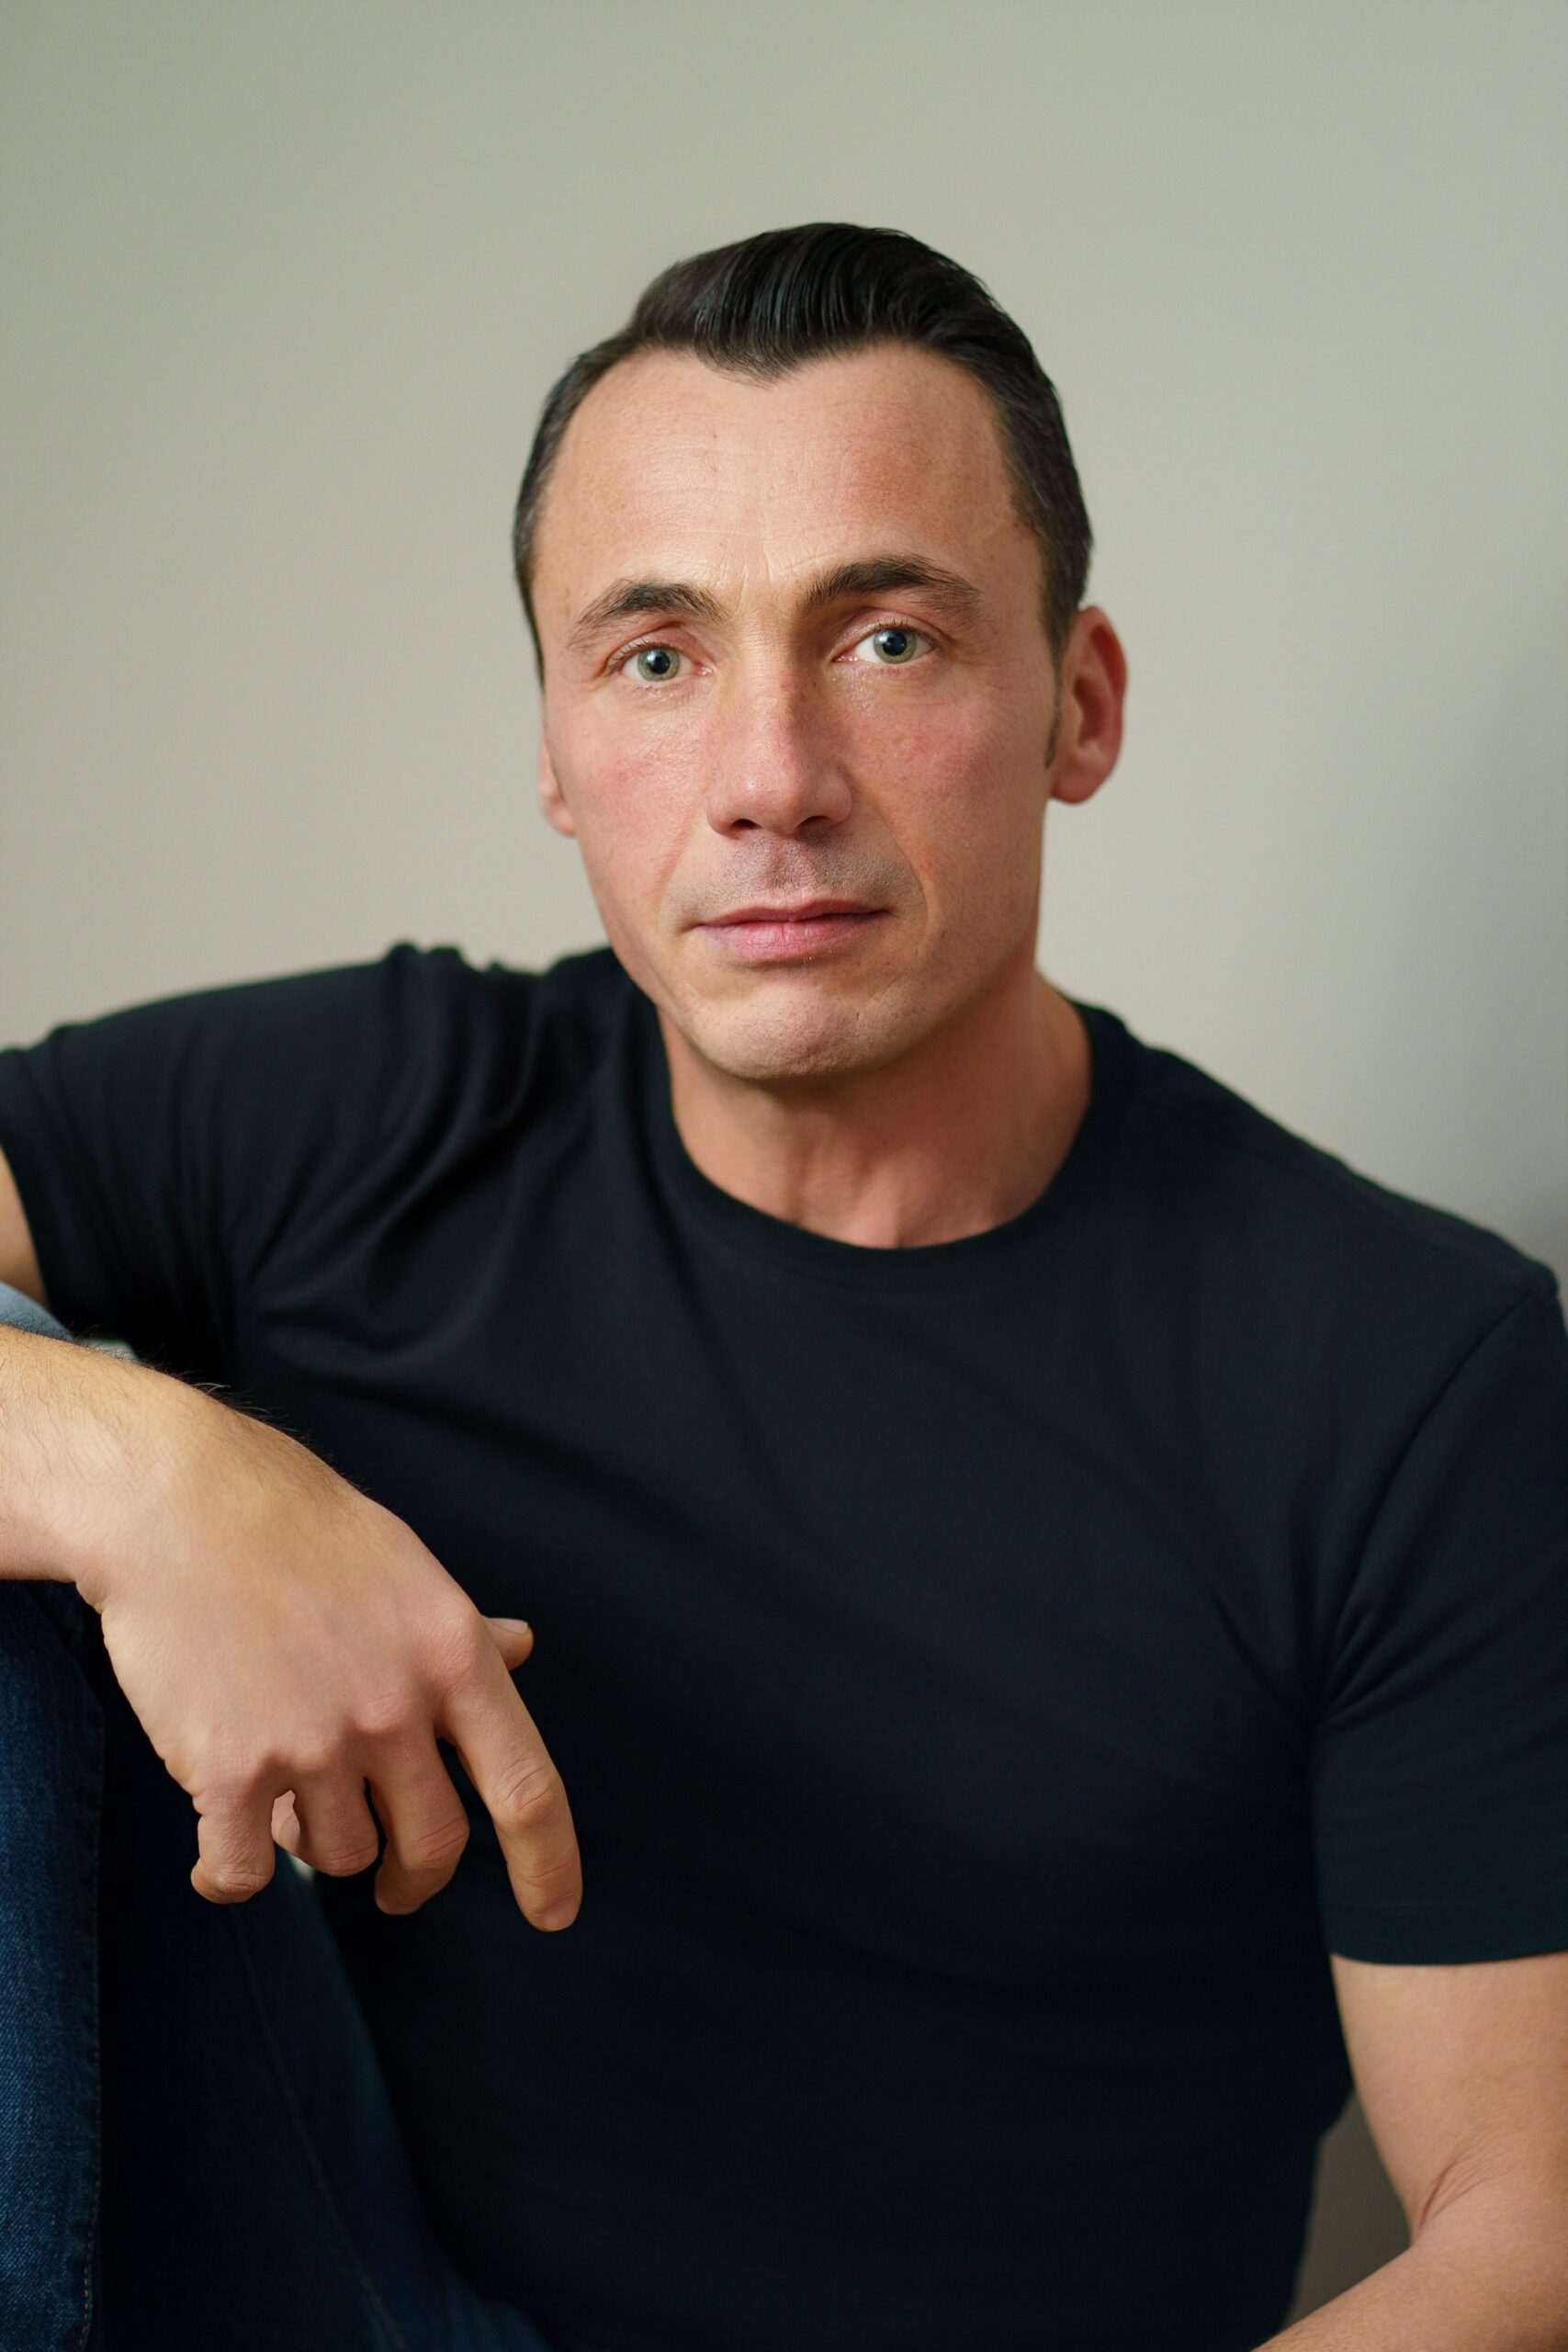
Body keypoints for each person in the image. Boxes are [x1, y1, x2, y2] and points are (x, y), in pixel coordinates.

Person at [1, 221, 1564, 2352]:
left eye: (886, 639)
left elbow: (1525, 2225)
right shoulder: (375, 1111)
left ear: (1076, 703)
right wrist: (165, 1479)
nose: (767, 778)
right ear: (554, 747)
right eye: (655, 657)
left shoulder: (1400, 1371)